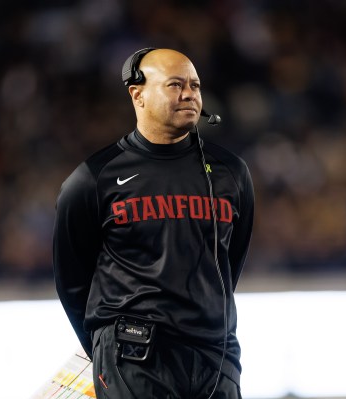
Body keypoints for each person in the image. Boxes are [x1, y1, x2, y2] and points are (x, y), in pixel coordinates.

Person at [53, 47, 254, 399]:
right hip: (133, 357)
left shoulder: (231, 173)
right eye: (176, 85)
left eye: (195, 85)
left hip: (216, 358)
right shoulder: (93, 179)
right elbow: (72, 281)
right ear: (138, 93)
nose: (190, 94)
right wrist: (103, 346)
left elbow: (228, 265)